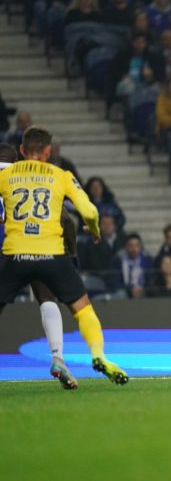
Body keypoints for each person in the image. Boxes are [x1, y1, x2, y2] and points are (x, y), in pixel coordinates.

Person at [0, 127, 129, 386]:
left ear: (22, 150)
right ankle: (98, 355)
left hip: (15, 254)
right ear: (48, 152)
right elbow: (89, 212)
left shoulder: (5, 175)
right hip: (52, 255)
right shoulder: (61, 175)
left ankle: (60, 358)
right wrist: (94, 231)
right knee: (83, 310)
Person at [0, 143, 79, 389]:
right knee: (46, 297)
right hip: (29, 245)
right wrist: (72, 255)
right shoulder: (26, 180)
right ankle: (58, 357)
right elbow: (66, 221)